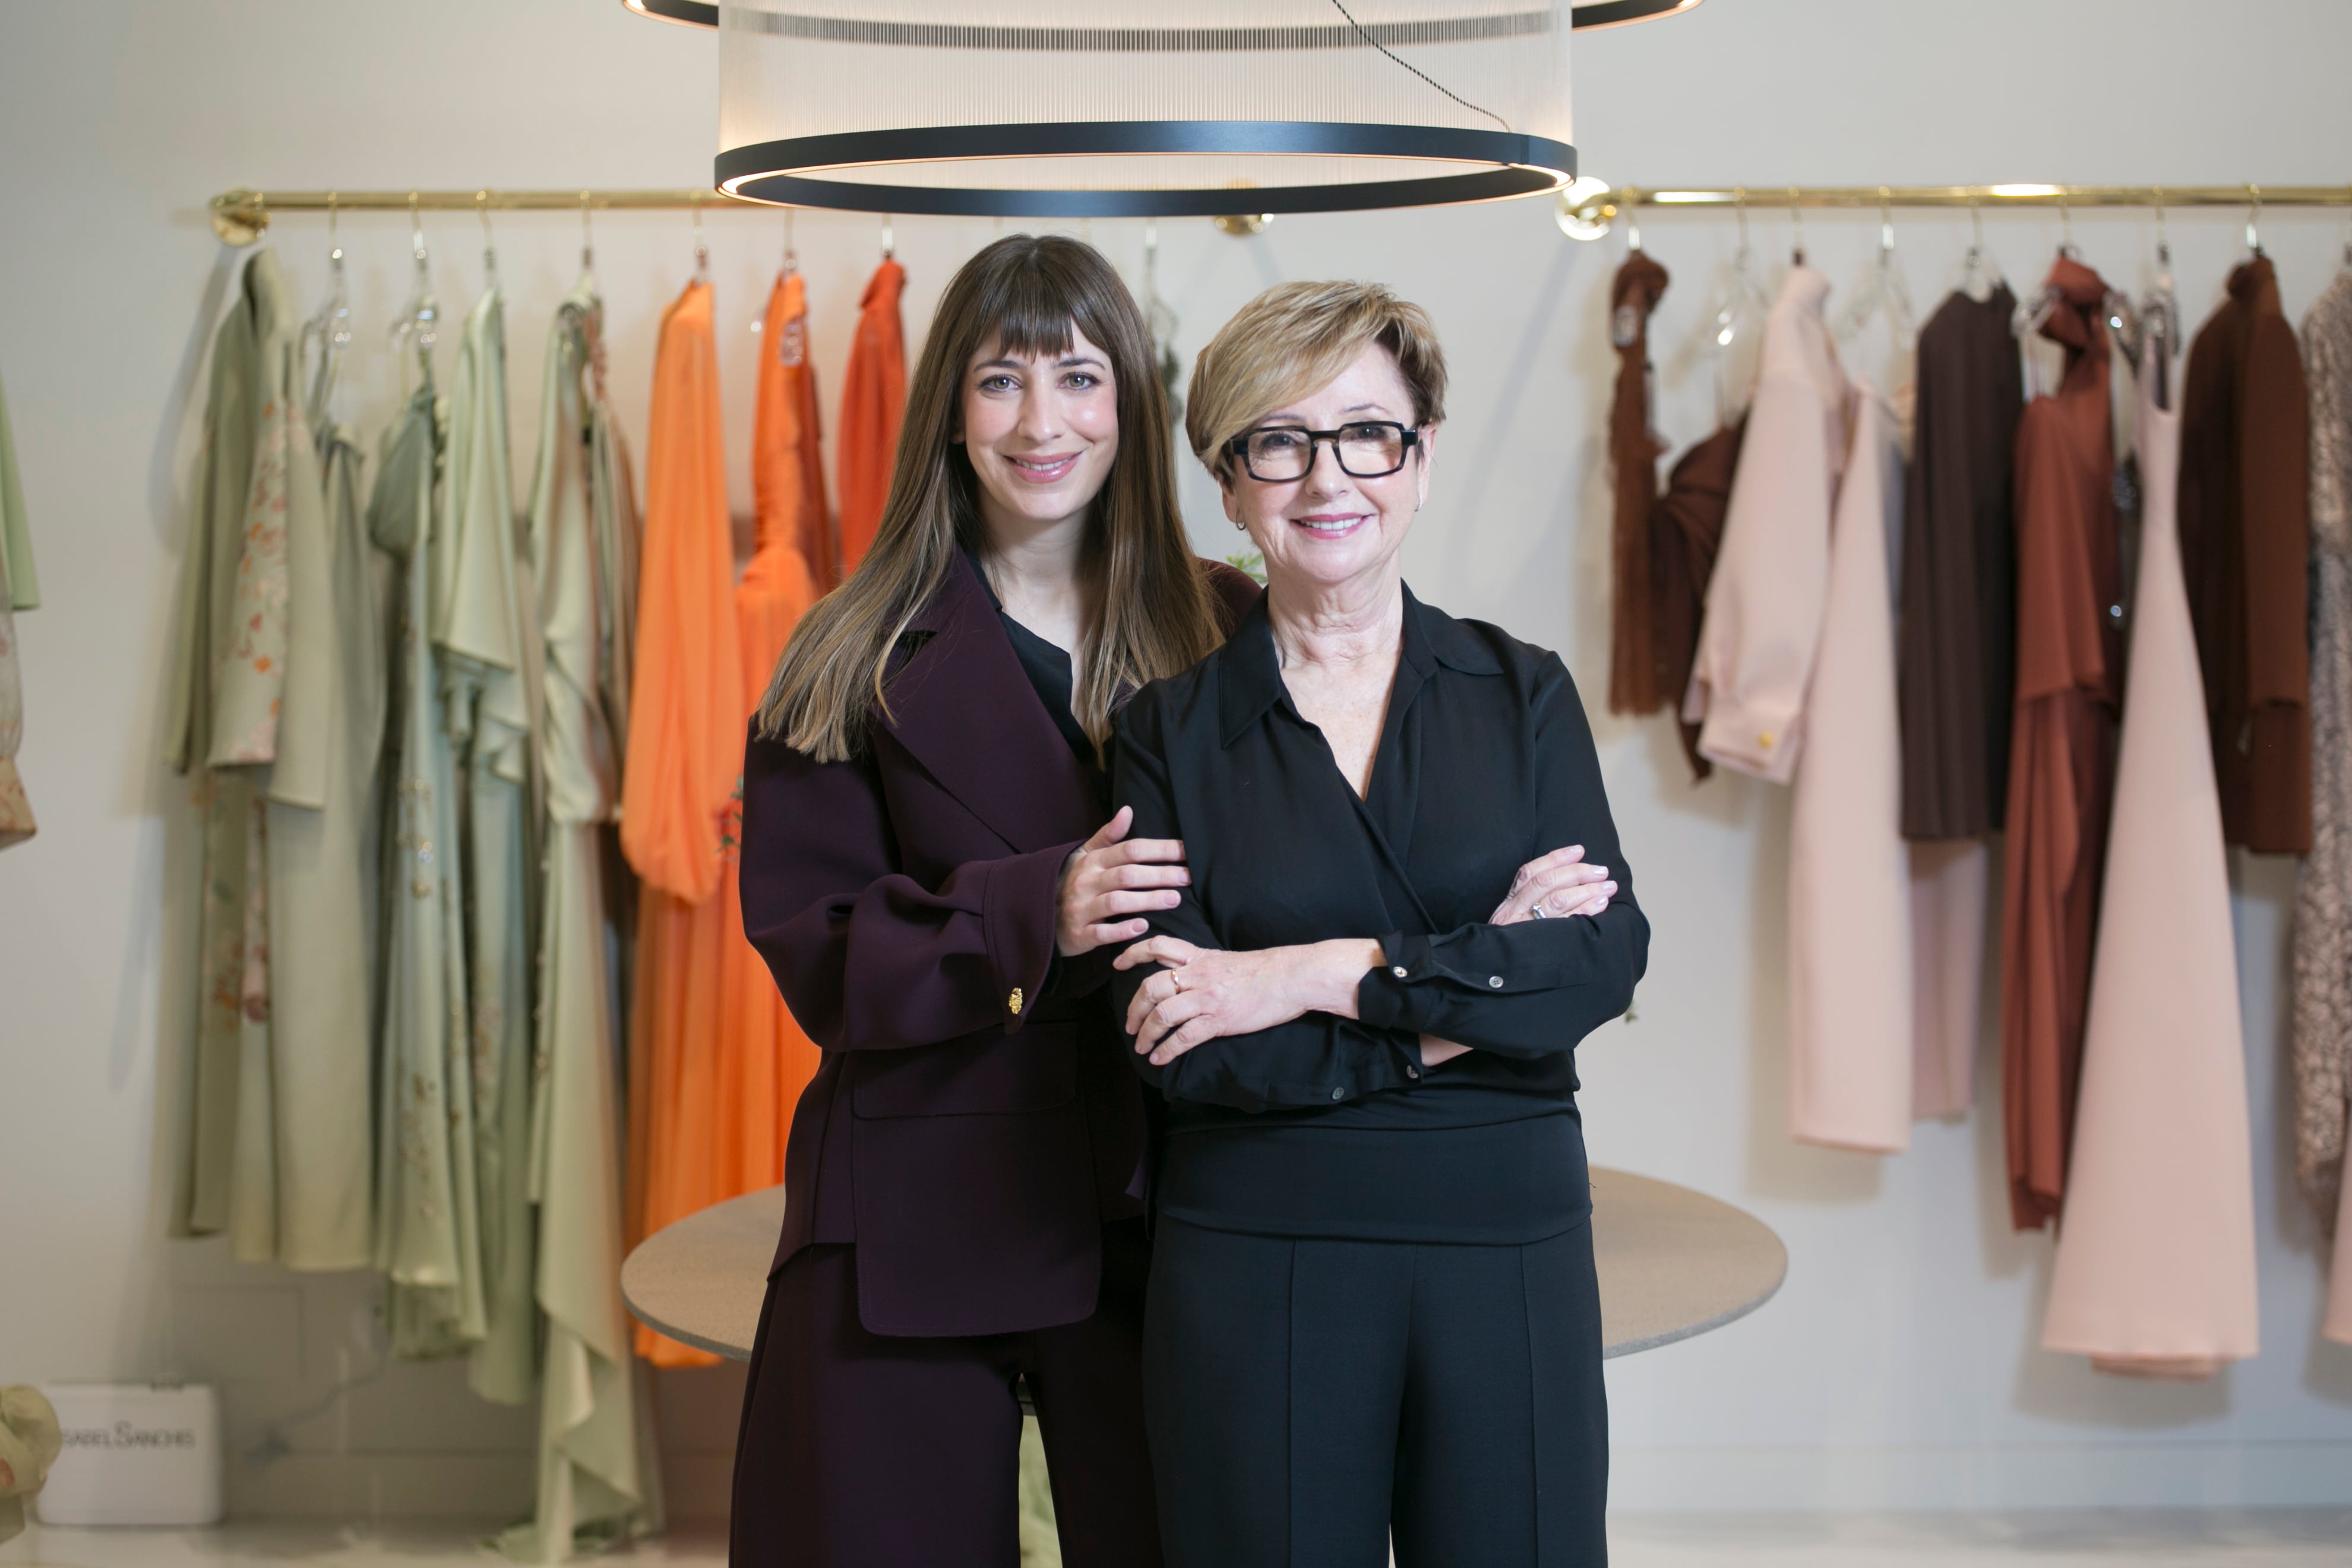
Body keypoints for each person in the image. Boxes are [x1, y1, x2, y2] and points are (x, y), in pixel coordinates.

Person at [729, 235, 1256, 1567]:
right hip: (912, 1197)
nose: (1040, 423)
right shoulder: (847, 650)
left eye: (1078, 378)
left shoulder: (1227, 629)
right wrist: (1035, 913)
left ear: (1129, 399)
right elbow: (819, 954)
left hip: (1173, 1196)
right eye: (1000, 380)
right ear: (951, 413)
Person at [1112, 280, 1649, 1567]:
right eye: (1278, 442)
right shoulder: (1164, 733)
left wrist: (1310, 972)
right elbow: (1187, 1047)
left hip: (1506, 1247)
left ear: (1420, 458)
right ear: (1228, 484)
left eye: (1367, 434)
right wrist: (1460, 1005)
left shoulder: (1524, 693)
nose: (1327, 478)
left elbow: (1593, 964)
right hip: (1256, 1252)